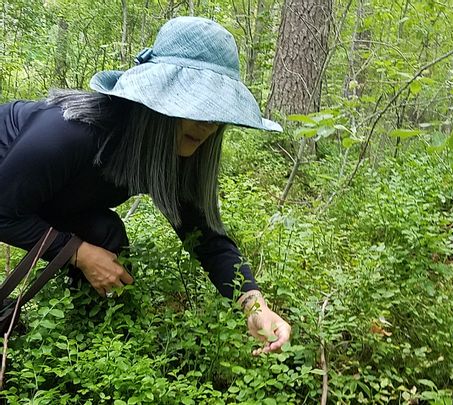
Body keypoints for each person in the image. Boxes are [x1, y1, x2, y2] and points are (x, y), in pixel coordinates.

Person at [0, 16, 291, 355]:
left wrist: (255, 306)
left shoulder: (174, 150)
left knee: (106, 234)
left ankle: (95, 350)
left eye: (217, 112)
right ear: (157, 100)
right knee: (93, 245)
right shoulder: (69, 134)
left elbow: (207, 238)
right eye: (195, 105)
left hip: (49, 198)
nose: (208, 124)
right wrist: (78, 252)